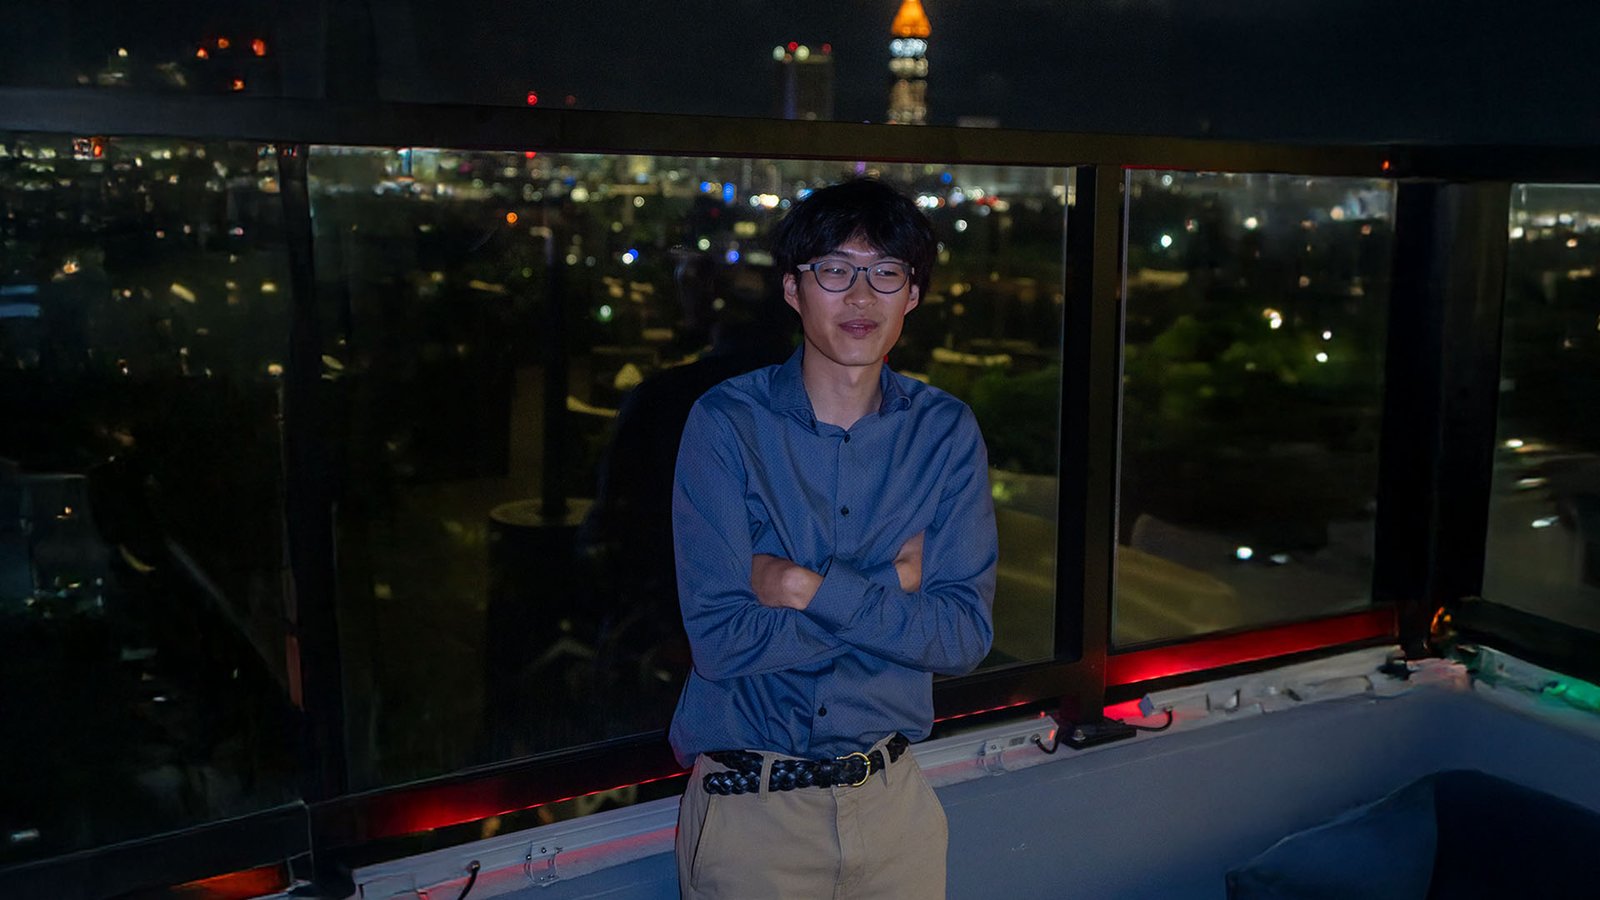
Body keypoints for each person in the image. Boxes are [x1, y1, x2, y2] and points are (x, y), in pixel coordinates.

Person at [669, 178, 999, 899]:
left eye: (886, 272)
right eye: (834, 270)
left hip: (896, 813)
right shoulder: (727, 425)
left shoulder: (944, 433)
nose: (861, 297)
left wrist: (802, 588)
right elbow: (722, 641)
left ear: (912, 294)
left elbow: (963, 635)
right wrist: (893, 591)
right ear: (793, 289)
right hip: (752, 819)